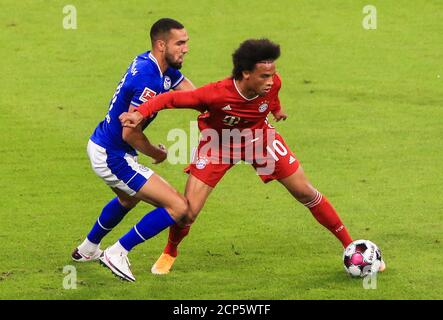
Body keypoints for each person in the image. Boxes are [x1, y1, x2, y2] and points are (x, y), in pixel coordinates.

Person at [120, 38, 386, 276]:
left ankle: (350, 244)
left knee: (306, 192)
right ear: (246, 74)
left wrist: (277, 111)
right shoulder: (215, 94)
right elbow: (170, 100)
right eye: (264, 75)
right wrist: (140, 114)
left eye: (273, 73)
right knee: (187, 213)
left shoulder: (273, 83)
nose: (271, 80)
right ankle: (170, 251)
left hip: (260, 139)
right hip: (218, 145)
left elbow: (273, 98)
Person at [71, 18, 196, 282]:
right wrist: (156, 153)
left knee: (128, 199)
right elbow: (130, 132)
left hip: (104, 144)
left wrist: (216, 104)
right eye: (180, 43)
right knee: (178, 208)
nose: (185, 48)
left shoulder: (155, 64)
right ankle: (117, 252)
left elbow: (191, 93)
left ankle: (88, 249)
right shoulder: (149, 80)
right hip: (113, 155)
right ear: (162, 44)